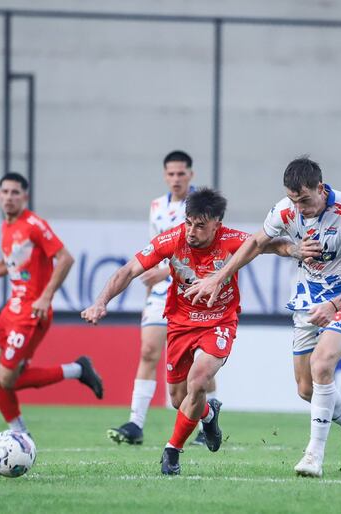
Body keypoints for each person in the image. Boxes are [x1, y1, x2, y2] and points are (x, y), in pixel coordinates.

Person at [81, 188, 305, 475]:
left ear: (217, 223)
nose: (191, 231)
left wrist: (297, 250)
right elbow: (128, 271)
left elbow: (272, 244)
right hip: (180, 322)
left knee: (198, 382)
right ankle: (208, 415)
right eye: (188, 222)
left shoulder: (231, 240)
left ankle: (172, 451)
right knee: (179, 399)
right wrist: (100, 302)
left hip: (218, 321)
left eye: (200, 225)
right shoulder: (171, 239)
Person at [185, 157, 341, 478]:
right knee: (307, 389)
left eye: (304, 199)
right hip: (306, 304)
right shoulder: (285, 210)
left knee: (322, 365)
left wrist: (335, 305)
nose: (299, 207)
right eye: (293, 200)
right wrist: (219, 277)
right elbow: (255, 244)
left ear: (320, 188)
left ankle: (313, 456)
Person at [0, 172, 104, 435]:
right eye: (5, 192)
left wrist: (46, 296)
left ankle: (77, 370)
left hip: (31, 313)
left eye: (15, 193)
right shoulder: (7, 226)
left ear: (25, 196)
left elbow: (66, 258)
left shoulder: (34, 225)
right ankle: (19, 432)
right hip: (11, 309)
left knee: (6, 378)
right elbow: (9, 263)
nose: (9, 197)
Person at [108, 150, 217, 447]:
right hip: (161, 291)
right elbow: (153, 250)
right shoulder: (156, 206)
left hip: (195, 289)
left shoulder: (202, 207)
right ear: (165, 175)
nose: (176, 179)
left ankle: (205, 424)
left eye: (181, 173)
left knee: (200, 365)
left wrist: (165, 270)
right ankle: (136, 423)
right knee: (148, 352)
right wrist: (151, 285)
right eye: (171, 173)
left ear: (191, 175)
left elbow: (208, 251)